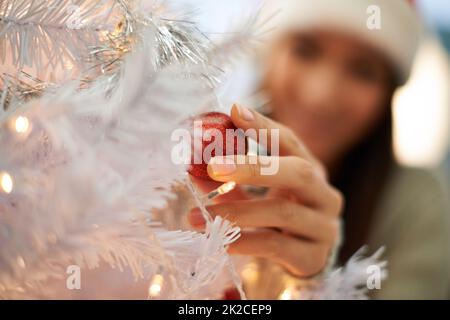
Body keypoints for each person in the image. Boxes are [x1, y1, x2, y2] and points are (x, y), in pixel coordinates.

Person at [188, 0, 450, 299]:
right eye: (305, 50)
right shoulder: (181, 168)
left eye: (362, 70)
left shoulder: (416, 203)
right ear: (267, 55)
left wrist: (307, 284)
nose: (321, 95)